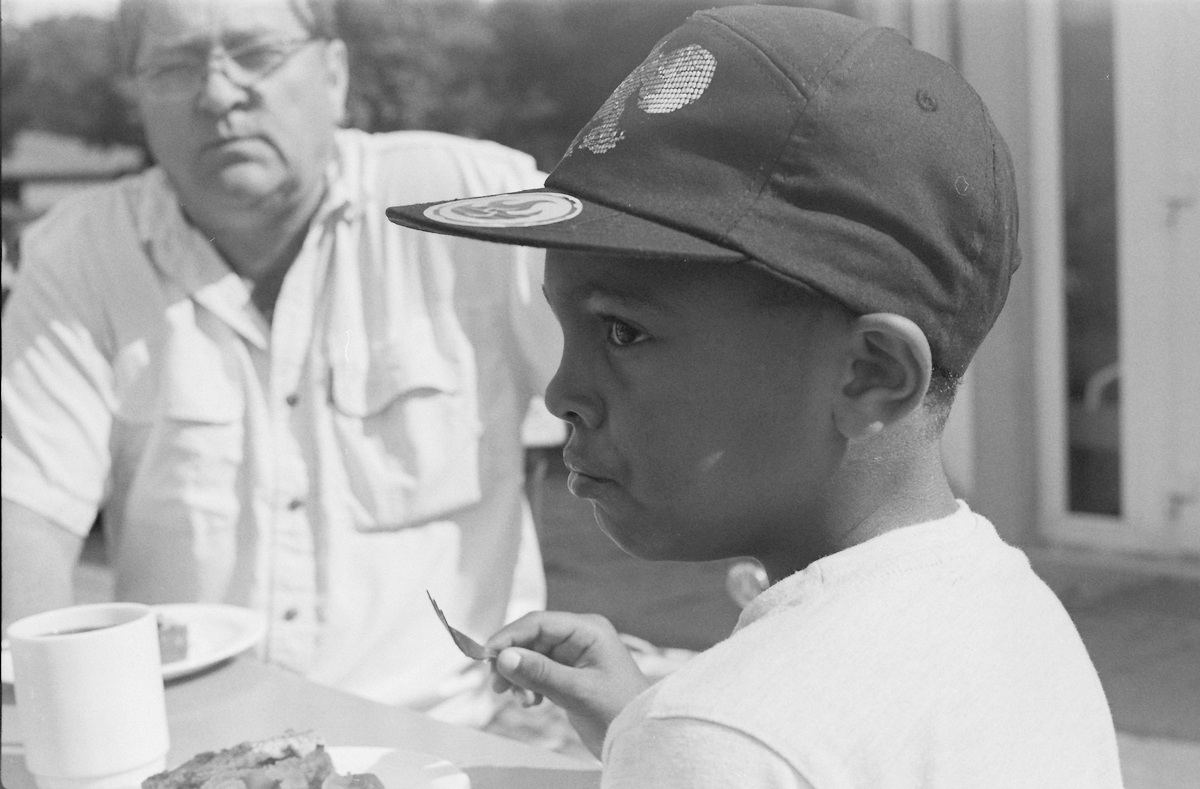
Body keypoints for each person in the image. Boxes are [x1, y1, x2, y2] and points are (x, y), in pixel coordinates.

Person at [385, 6, 1124, 784]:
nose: (561, 393)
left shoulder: (725, 736)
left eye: (623, 332)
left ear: (870, 373)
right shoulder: (1011, 609)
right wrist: (650, 725)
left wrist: (683, 742)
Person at [0, 0, 560, 727]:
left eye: (255, 53)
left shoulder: (473, 203)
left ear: (333, 72)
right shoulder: (79, 257)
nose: (218, 92)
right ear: (137, 96)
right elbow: (26, 513)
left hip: (456, 733)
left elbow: (657, 378)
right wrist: (53, 726)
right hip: (194, 744)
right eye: (174, 66)